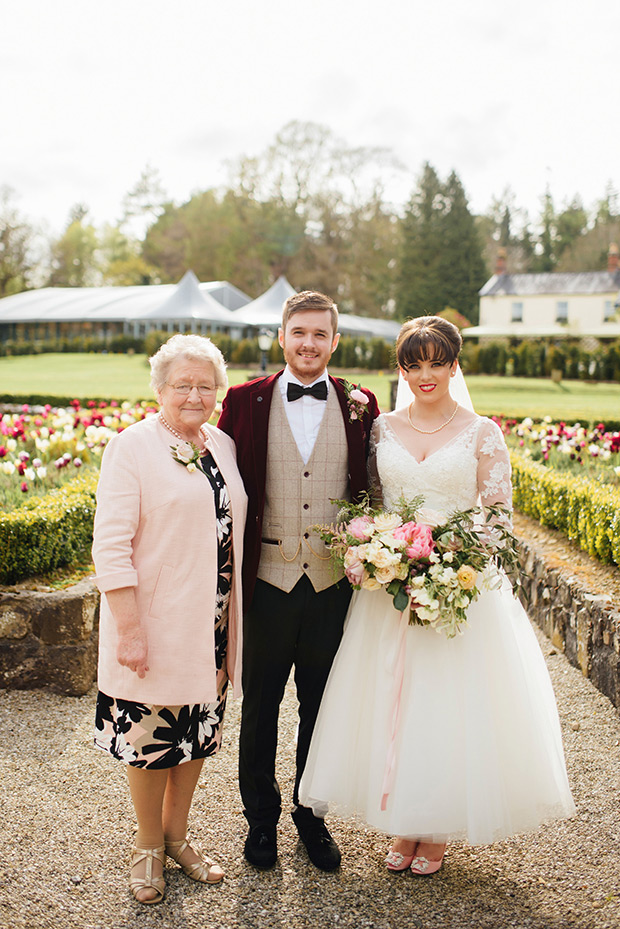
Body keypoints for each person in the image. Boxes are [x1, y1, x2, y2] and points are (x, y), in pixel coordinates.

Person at [299, 316, 575, 875]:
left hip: (460, 591)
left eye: (437, 362)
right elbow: (372, 507)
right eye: (413, 363)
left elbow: (498, 519)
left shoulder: (482, 432)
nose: (425, 374)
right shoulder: (381, 429)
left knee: (448, 705)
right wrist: (386, 555)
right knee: (394, 701)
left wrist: (451, 564)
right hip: (391, 589)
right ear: (402, 369)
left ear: (454, 364)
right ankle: (404, 821)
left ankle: (438, 827)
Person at [218, 290, 380, 871]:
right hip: (264, 580)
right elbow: (219, 485)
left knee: (322, 706)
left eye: (320, 335)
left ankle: (312, 817)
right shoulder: (243, 401)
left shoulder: (362, 405)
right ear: (281, 337)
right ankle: (259, 821)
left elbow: (375, 491)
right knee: (259, 705)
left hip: (334, 586)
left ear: (335, 342)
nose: (308, 343)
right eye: (299, 332)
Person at [92, 334, 247, 904]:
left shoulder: (222, 446)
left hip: (212, 625)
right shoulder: (130, 447)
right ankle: (147, 845)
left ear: (218, 392)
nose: (194, 395)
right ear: (159, 389)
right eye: (182, 385)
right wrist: (129, 629)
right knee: (151, 740)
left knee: (198, 735)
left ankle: (179, 837)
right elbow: (110, 545)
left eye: (205, 385)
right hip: (156, 626)